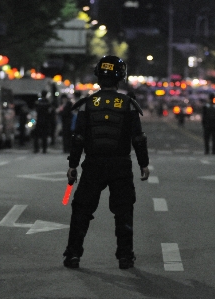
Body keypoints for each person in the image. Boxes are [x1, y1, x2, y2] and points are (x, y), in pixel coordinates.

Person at [62, 55, 150, 270]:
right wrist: (143, 164)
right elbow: (138, 138)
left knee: (81, 210)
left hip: (93, 165)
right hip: (120, 165)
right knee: (124, 211)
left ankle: (73, 255)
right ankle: (125, 256)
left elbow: (78, 138)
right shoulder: (129, 105)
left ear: (98, 77)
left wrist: (73, 164)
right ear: (121, 78)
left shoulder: (87, 104)